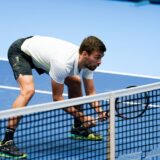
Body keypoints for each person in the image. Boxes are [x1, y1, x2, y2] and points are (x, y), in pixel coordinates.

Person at [0, 35, 107, 159]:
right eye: (97, 58)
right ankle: (6, 142)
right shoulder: (63, 64)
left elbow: (90, 92)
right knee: (28, 90)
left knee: (75, 82)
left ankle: (78, 128)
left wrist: (100, 111)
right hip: (22, 51)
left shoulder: (89, 62)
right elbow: (57, 99)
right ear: (84, 54)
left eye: (101, 58)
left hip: (43, 53)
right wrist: (83, 116)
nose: (100, 62)